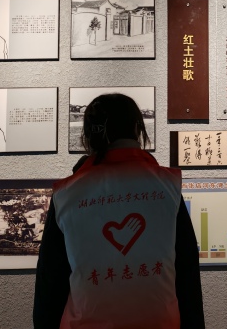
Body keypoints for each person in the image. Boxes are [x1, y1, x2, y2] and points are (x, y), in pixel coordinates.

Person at [33, 93, 204, 329]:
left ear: (88, 135)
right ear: (136, 129)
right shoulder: (166, 187)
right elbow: (187, 273)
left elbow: (50, 282)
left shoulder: (67, 194)